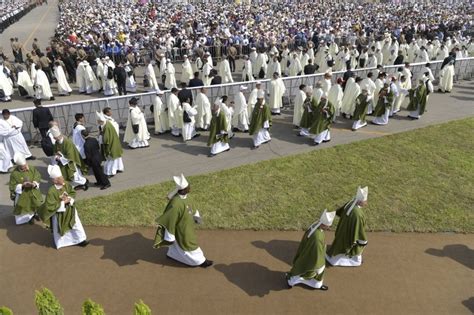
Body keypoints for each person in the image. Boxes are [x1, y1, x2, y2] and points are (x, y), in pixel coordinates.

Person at [153, 174, 213, 268]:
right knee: (189, 243)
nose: (190, 188)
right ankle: (200, 261)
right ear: (183, 190)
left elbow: (192, 207)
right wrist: (170, 236)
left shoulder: (187, 197)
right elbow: (170, 220)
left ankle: (172, 254)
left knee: (178, 245)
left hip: (187, 225)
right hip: (181, 229)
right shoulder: (176, 203)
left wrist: (196, 217)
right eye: (188, 187)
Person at [38, 165, 89, 249]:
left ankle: (80, 239)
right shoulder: (52, 191)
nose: (63, 179)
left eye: (62, 177)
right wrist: (62, 203)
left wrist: (69, 199)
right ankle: (62, 243)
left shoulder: (66, 185)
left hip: (70, 209)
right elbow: (49, 205)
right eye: (61, 178)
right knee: (60, 227)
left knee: (75, 224)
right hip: (59, 214)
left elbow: (72, 192)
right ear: (55, 180)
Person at [286, 209, 336, 290]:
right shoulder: (317, 237)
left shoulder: (315, 225)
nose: (329, 227)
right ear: (323, 225)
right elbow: (317, 253)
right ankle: (292, 281)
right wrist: (319, 265)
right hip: (312, 256)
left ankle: (315, 284)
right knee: (308, 270)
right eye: (328, 226)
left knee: (301, 268)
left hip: (308, 251)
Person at [326, 186, 368, 267]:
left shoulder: (351, 203)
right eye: (365, 201)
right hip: (349, 235)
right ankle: (354, 261)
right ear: (360, 202)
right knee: (356, 246)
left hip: (342, 230)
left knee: (340, 244)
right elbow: (359, 230)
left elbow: (340, 211)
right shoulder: (357, 214)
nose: (366, 202)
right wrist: (363, 240)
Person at [9, 153, 43, 225]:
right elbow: (12, 186)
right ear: (19, 166)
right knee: (26, 206)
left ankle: (35, 214)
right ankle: (28, 218)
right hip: (23, 195)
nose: (25, 168)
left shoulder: (31, 168)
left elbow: (37, 176)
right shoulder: (14, 174)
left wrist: (34, 183)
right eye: (23, 168)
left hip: (33, 191)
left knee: (36, 203)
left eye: (25, 166)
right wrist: (22, 186)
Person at [96, 111, 124, 177]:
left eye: (99, 122)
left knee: (110, 159)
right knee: (116, 158)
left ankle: (109, 172)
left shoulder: (106, 127)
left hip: (111, 146)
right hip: (115, 144)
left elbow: (106, 139)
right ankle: (119, 168)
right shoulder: (108, 124)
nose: (98, 123)